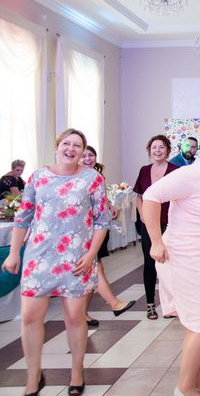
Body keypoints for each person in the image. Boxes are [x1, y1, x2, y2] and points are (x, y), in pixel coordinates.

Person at [1, 129, 109, 396]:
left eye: (77, 145)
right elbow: (23, 216)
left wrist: (91, 254)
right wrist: (14, 253)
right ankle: (33, 376)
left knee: (74, 318)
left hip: (76, 259)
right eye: (66, 143)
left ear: (83, 152)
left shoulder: (92, 178)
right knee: (30, 317)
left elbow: (102, 220)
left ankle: (77, 372)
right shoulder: (39, 176)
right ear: (57, 147)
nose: (71, 149)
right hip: (39, 257)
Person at [142, 129, 200, 396]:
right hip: (184, 259)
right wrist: (156, 241)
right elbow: (150, 196)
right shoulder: (190, 175)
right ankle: (184, 388)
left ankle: (194, 380)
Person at [81, 146, 136, 326]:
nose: (88, 159)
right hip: (82, 230)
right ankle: (114, 303)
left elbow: (101, 199)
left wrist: (109, 206)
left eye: (91, 155)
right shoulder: (75, 177)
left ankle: (83, 314)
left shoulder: (97, 176)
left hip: (98, 227)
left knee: (95, 268)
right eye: (84, 156)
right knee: (95, 267)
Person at [133, 135, 179, 320]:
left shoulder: (175, 170)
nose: (157, 150)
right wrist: (143, 214)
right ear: (149, 150)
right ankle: (150, 304)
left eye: (161, 147)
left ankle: (173, 305)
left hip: (170, 222)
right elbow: (139, 196)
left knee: (171, 264)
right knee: (150, 262)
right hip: (149, 225)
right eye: (154, 147)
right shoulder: (144, 170)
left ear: (167, 150)